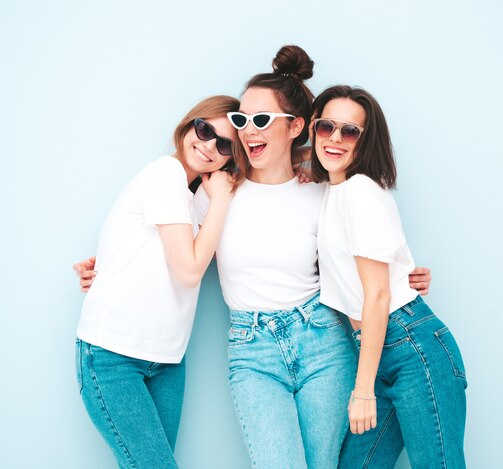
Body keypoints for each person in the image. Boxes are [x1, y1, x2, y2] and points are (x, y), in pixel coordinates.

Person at [74, 45, 434, 468]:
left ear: (296, 126)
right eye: (242, 121)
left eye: (261, 120)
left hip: (322, 340)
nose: (247, 131)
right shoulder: (216, 192)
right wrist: (103, 264)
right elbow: (162, 241)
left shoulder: (322, 190)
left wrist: (401, 277)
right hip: (252, 349)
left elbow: (361, 246)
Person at [74, 95, 242, 468]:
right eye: (204, 129)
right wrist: (220, 202)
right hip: (113, 355)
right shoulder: (164, 174)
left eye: (225, 143)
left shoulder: (196, 197)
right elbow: (188, 271)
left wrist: (304, 166)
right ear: (188, 126)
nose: (209, 145)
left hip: (167, 360)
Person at [310, 85, 467, 468]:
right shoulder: (335, 190)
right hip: (377, 350)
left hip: (410, 348)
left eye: (350, 131)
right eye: (326, 126)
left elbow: (378, 296)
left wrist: (362, 390)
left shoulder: (360, 192)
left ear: (365, 142)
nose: (335, 138)